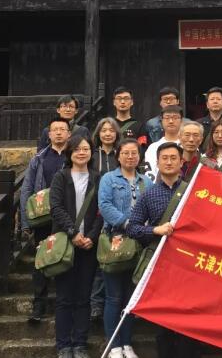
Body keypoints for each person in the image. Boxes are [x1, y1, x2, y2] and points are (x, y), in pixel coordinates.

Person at [127, 142, 202, 358]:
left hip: (189, 265)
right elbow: (133, 228)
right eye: (164, 158)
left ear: (181, 162)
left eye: (173, 158)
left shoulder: (194, 192)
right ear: (157, 163)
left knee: (189, 320)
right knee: (164, 322)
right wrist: (155, 230)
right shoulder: (149, 194)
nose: (169, 162)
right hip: (161, 265)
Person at [50, 136, 103, 358]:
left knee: (83, 297)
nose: (82, 153)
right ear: (69, 153)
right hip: (66, 243)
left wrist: (91, 236)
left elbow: (102, 210)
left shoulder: (98, 178)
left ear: (92, 152)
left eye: (86, 149)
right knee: (64, 297)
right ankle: (63, 345)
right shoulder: (61, 177)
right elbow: (56, 207)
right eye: (77, 149)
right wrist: (73, 232)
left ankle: (80, 343)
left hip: (88, 246)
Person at [98, 139, 152, 358]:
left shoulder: (146, 181)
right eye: (126, 153)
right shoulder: (108, 179)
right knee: (113, 296)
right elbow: (104, 205)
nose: (130, 157)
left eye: (134, 153)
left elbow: (151, 207)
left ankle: (127, 344)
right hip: (116, 239)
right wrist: (128, 223)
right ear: (118, 156)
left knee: (131, 297)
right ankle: (114, 345)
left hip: (139, 244)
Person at [20, 117, 71, 323]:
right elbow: (26, 189)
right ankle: (39, 304)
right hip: (43, 218)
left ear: (69, 134)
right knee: (41, 259)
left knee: (65, 256)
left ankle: (64, 304)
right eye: (55, 130)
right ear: (48, 134)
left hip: (67, 217)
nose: (58, 133)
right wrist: (25, 222)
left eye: (62, 129)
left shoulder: (74, 156)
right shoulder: (39, 159)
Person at [89, 117, 122, 323]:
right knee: (97, 260)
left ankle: (112, 304)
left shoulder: (122, 154)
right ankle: (95, 304)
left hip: (117, 213)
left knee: (113, 258)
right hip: (94, 212)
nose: (108, 133)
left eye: (111, 130)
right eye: (104, 130)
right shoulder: (92, 155)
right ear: (98, 133)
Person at [143, 105, 183, 178]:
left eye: (175, 118)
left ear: (181, 121)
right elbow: (150, 174)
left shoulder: (188, 145)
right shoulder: (153, 147)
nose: (171, 121)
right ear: (161, 121)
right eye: (167, 118)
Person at [111, 86, 149, 151]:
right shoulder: (109, 124)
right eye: (119, 98)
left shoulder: (140, 126)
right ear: (114, 102)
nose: (122, 102)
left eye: (126, 98)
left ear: (132, 102)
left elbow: (142, 149)